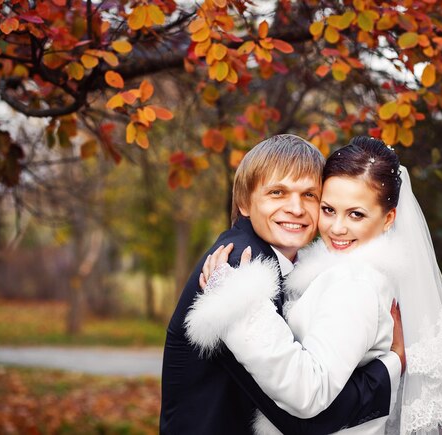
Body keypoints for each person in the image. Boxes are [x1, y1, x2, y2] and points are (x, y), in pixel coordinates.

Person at [188, 136, 442, 434]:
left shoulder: (353, 281)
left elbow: (308, 393)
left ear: (388, 218)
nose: (337, 228)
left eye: (356, 214)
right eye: (328, 210)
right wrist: (394, 361)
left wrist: (238, 297)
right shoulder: (357, 274)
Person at [160, 134, 404, 434]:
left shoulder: (286, 264)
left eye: (309, 195)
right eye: (278, 192)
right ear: (245, 202)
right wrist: (391, 366)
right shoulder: (238, 269)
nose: (296, 209)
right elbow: (302, 420)